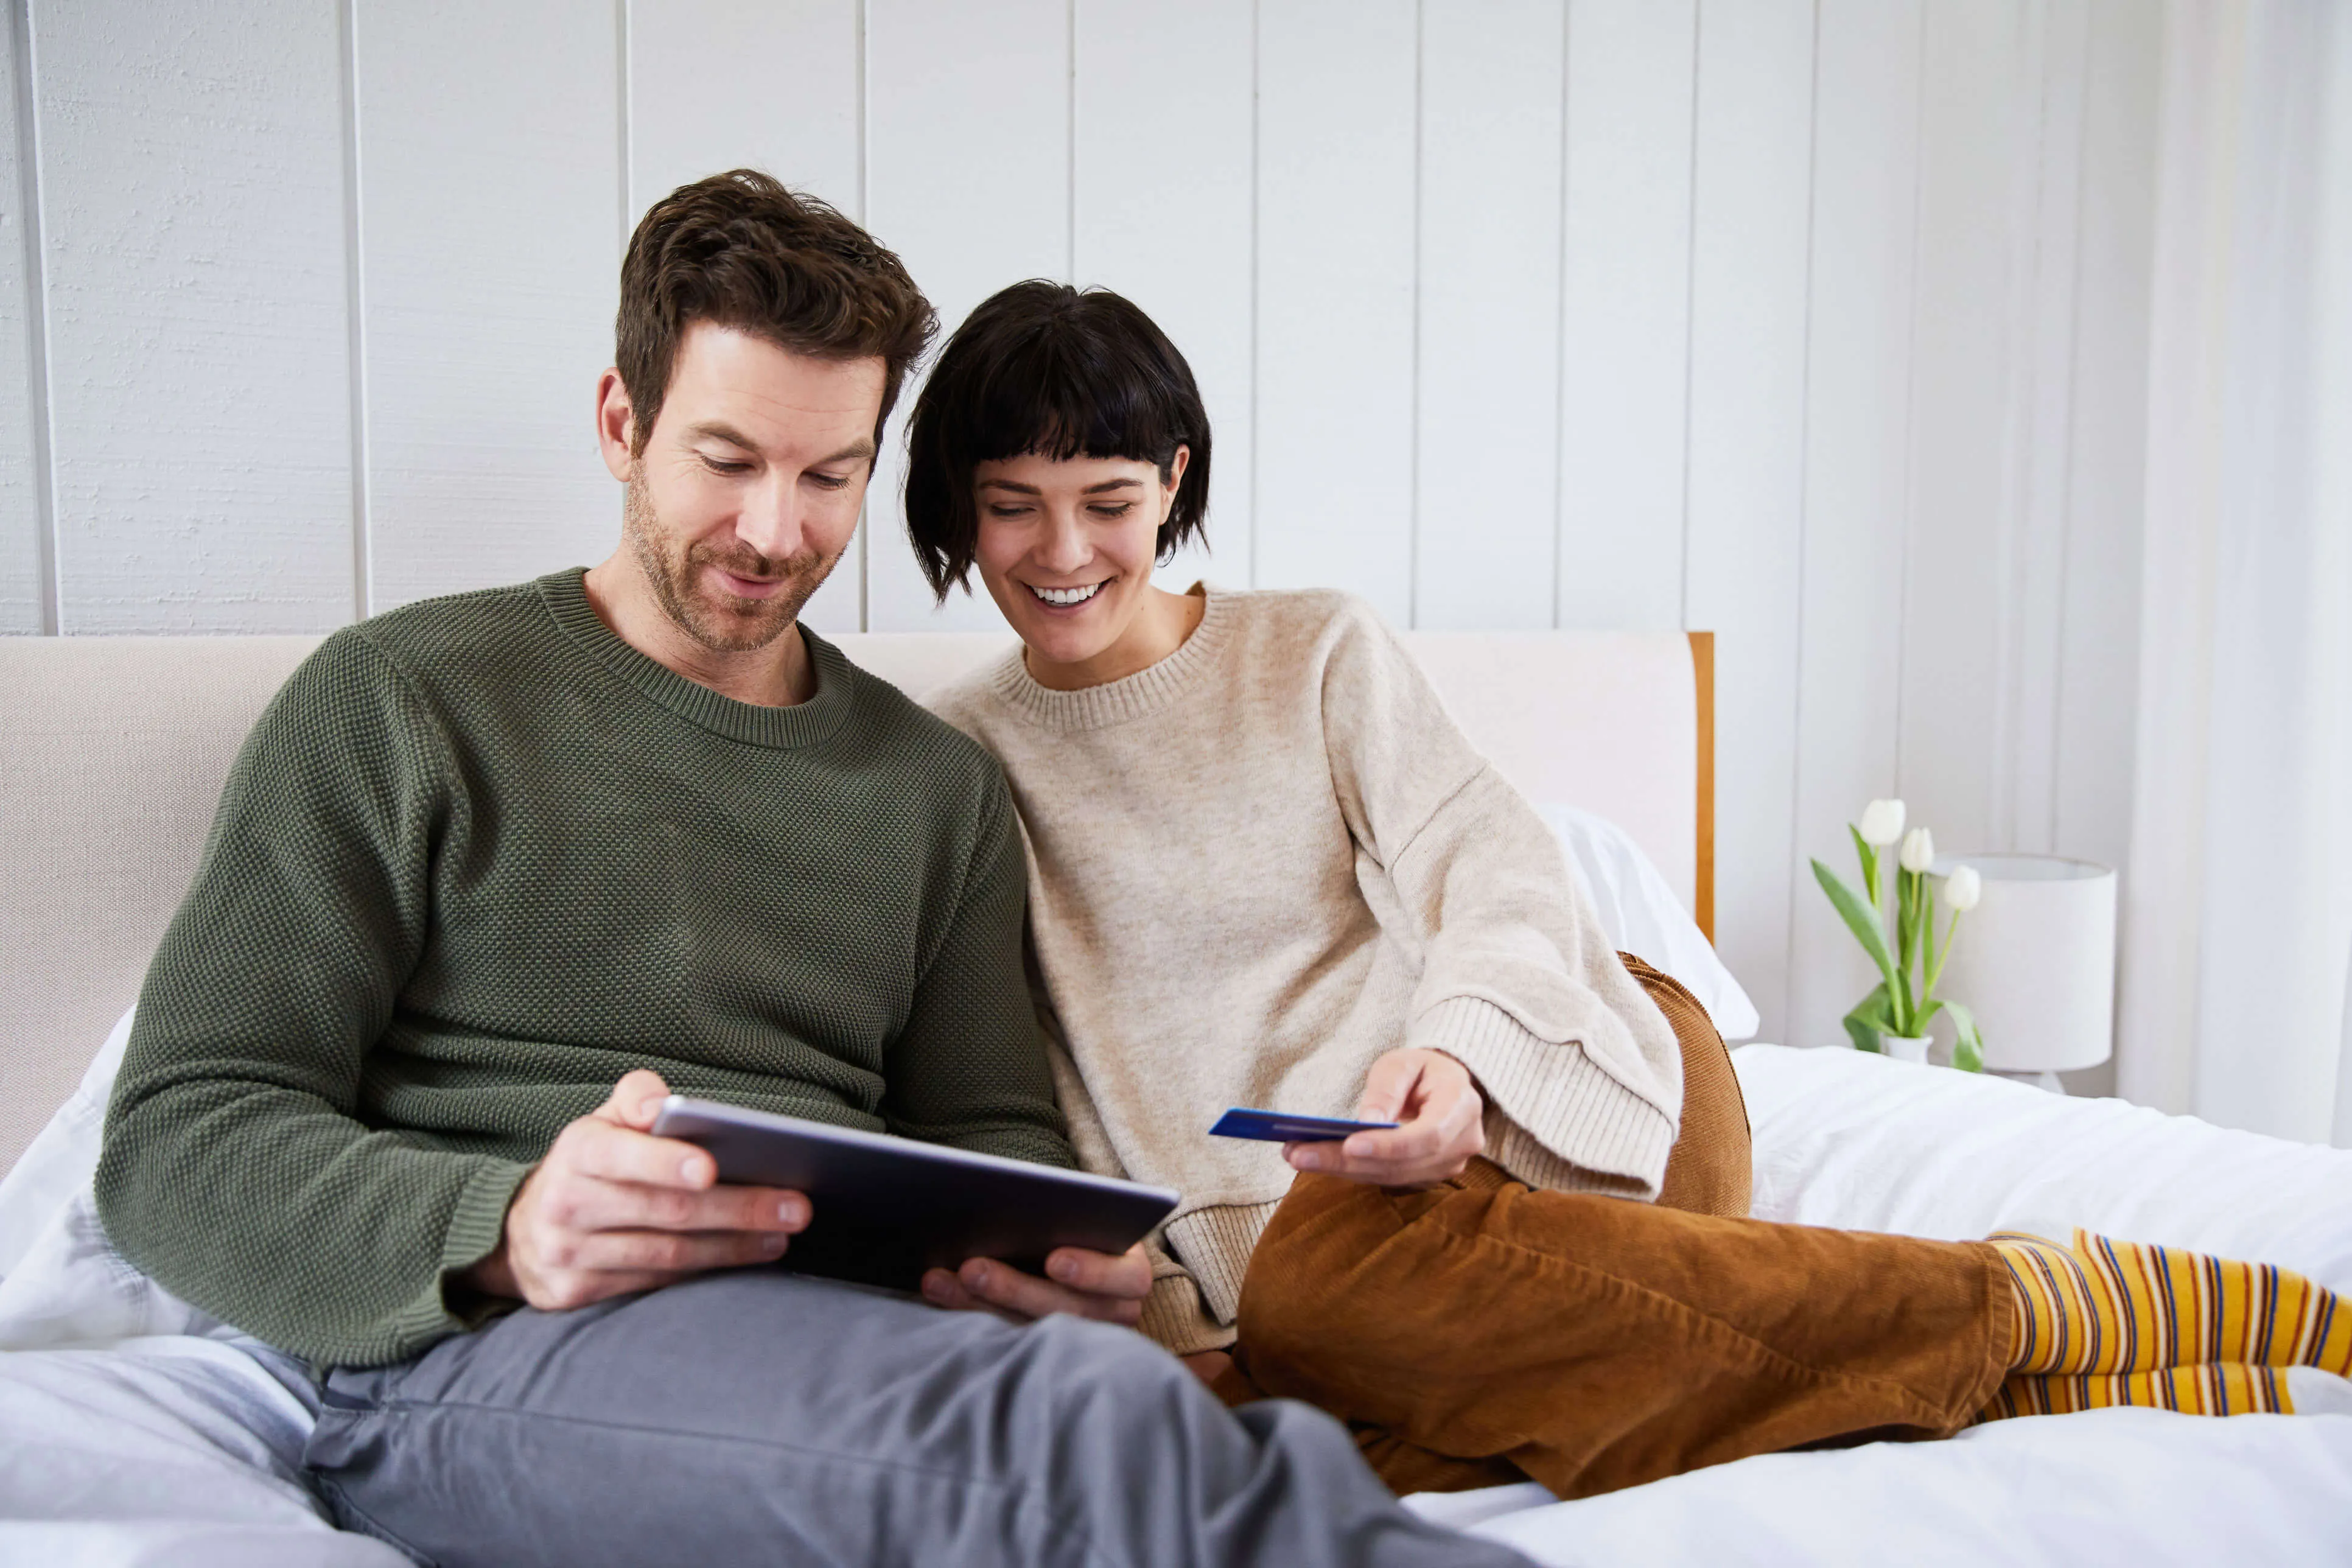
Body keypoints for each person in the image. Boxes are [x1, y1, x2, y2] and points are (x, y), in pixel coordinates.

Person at [91, 172, 1541, 1568]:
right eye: (727, 462)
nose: (775, 531)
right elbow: (180, 1133)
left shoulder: (931, 785)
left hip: (872, 1337)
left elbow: (992, 1133)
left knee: (1111, 1404)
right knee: (1070, 1436)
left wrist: (1055, 1265)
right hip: (508, 1345)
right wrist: (502, 1226)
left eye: (829, 475)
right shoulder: (403, 699)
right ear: (621, 422)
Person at [909, 279, 2352, 1500]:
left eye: (1107, 501)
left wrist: (1460, 1061)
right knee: (1266, 1422)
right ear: (961, 516)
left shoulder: (1314, 651)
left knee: (1322, 1315)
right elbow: (1037, 1071)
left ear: (1172, 481)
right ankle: (2028, 1380)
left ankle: (2016, 1301)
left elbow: (1495, 865)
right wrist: (1158, 1302)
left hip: (1580, 1086)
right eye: (1013, 507)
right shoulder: (959, 760)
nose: (1063, 553)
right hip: (1319, 1247)